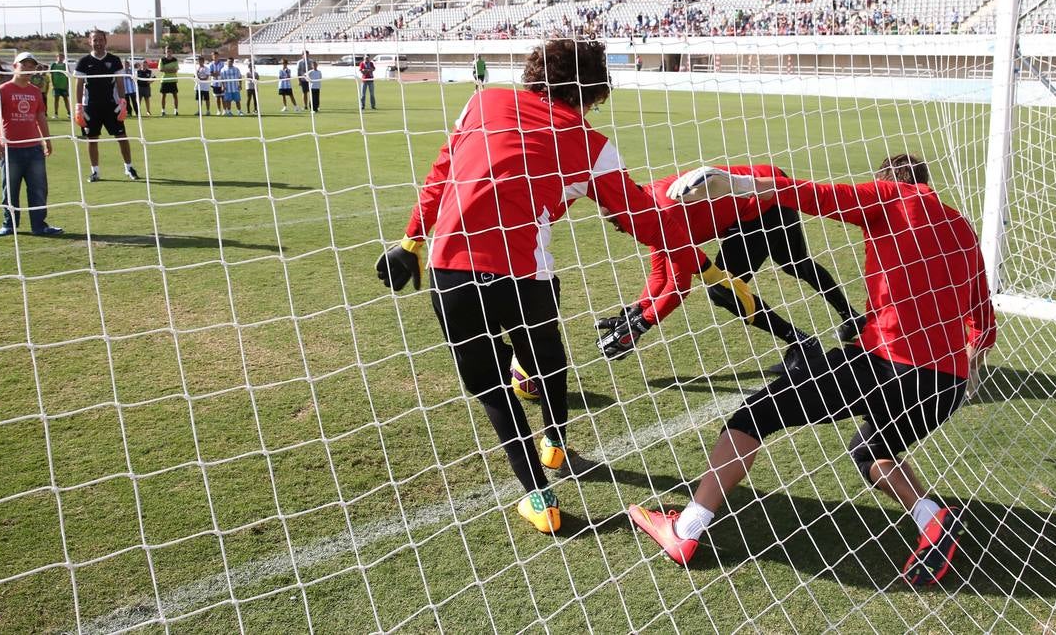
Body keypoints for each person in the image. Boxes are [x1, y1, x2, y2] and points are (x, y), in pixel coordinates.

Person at [375, 38, 755, 535]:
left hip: (452, 271)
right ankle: (555, 441)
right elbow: (648, 220)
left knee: (492, 386)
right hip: (524, 277)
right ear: (593, 92)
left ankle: (538, 496)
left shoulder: (482, 101)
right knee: (547, 355)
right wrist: (709, 271)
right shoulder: (591, 146)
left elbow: (442, 172)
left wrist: (410, 240)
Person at [628, 155, 995, 588]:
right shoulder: (965, 231)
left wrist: (733, 182)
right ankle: (933, 520)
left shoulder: (890, 197)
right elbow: (984, 326)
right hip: (946, 385)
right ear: (927, 182)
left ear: (883, 181)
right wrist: (965, 364)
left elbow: (809, 194)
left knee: (755, 415)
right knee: (871, 450)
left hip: (888, 365)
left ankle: (686, 530)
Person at [595, 164, 862, 362]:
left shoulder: (666, 212)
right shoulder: (645, 205)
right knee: (795, 263)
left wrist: (642, 325)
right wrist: (633, 312)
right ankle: (852, 317)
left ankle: (802, 343)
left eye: (616, 221)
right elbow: (659, 274)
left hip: (763, 202)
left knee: (723, 290)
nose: (617, 228)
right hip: (757, 197)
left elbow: (679, 285)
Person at [0, 52, 62, 237]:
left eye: (32, 66)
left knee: (38, 188)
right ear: (15, 66)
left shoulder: (35, 91)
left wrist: (47, 140)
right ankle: (9, 224)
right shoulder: (2, 90)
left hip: (34, 149)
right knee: (10, 189)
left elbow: (40, 117)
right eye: (25, 65)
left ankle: (39, 225)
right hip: (10, 148)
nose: (28, 69)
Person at [73, 30, 139, 182]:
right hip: (91, 106)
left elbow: (120, 82)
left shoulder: (114, 60)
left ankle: (129, 168)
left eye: (101, 40)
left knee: (122, 137)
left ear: (105, 41)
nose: (98, 43)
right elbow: (79, 84)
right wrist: (78, 106)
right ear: (90, 42)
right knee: (92, 139)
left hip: (111, 105)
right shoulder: (83, 61)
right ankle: (95, 172)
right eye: (95, 40)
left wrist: (123, 101)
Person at [158, 47, 179, 116]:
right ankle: (163, 111)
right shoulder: (162, 59)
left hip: (173, 80)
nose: (169, 52)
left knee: (175, 95)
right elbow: (161, 69)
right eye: (167, 51)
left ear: (172, 52)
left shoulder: (175, 60)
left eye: (170, 51)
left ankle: (176, 111)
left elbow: (175, 70)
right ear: (165, 51)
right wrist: (170, 70)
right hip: (165, 80)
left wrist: (166, 69)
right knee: (163, 95)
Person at [49, 53, 70, 119]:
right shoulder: (53, 65)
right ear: (57, 57)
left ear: (63, 58)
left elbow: (68, 76)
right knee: (56, 99)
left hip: (64, 86)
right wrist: (53, 84)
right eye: (59, 56)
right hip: (56, 86)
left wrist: (68, 85)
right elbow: (51, 74)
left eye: (62, 57)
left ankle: (69, 113)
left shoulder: (65, 65)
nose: (60, 58)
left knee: (66, 99)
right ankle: (56, 114)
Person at [208, 51, 225, 115]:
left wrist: (217, 73)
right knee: (217, 97)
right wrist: (216, 73)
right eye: (214, 56)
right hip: (215, 83)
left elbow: (223, 72)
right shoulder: (211, 64)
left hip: (222, 82)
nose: (215, 57)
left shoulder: (222, 64)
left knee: (223, 97)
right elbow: (210, 73)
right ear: (212, 57)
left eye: (216, 56)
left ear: (218, 56)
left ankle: (224, 110)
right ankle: (218, 110)